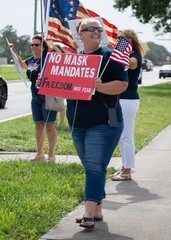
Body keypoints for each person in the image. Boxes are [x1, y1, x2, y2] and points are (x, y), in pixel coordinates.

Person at [66, 18, 128, 229]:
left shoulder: (110, 57)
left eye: (98, 29)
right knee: (92, 167)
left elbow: (122, 85)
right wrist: (44, 82)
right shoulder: (72, 60)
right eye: (90, 28)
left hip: (103, 123)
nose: (96, 31)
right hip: (77, 123)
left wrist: (100, 86)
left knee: (94, 165)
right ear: (80, 34)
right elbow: (62, 86)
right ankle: (98, 209)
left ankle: (87, 213)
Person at [9, 35, 58, 162]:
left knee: (49, 126)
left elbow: (59, 66)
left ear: (43, 47)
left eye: (37, 44)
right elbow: (22, 65)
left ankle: (51, 155)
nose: (34, 47)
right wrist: (13, 50)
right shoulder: (31, 60)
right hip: (35, 97)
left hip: (48, 96)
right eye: (32, 45)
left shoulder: (49, 58)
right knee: (38, 125)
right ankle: (40, 154)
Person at [111, 29, 148, 181]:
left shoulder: (134, 56)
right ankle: (125, 164)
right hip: (116, 99)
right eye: (117, 38)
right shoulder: (118, 55)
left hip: (128, 100)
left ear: (130, 40)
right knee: (119, 134)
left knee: (126, 135)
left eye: (122, 38)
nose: (118, 41)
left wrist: (119, 52)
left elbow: (132, 64)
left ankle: (127, 170)